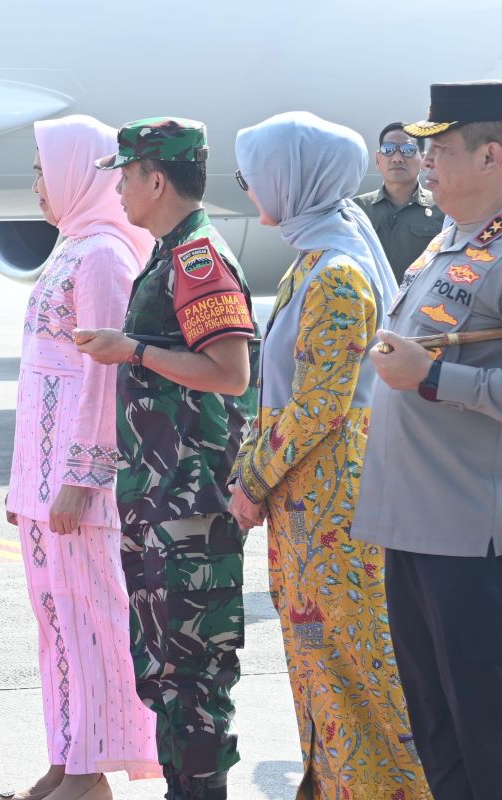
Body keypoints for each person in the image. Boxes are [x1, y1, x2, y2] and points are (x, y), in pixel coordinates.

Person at [229, 112, 430, 799]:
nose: (247, 187)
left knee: (358, 667)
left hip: (337, 508)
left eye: (253, 174)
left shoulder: (336, 271)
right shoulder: (312, 258)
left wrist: (251, 478)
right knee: (321, 663)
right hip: (306, 503)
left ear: (293, 179)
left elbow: (320, 402)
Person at [75, 118, 257, 800]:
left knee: (195, 677)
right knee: (166, 672)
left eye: (125, 175)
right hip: (162, 504)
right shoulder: (168, 254)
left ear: (157, 179)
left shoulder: (197, 259)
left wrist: (134, 351)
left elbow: (231, 371)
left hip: (192, 509)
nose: (118, 188)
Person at [0, 115, 159, 800]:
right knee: (55, 622)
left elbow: (106, 376)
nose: (35, 185)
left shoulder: (103, 257)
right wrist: (25, 483)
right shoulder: (70, 248)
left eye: (42, 170)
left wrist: (81, 478)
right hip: (44, 479)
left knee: (91, 625)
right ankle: (66, 759)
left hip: (79, 487)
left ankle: (91, 775)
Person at [353, 80, 502, 800]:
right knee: (435, 726)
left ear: (491, 155)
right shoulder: (446, 241)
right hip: (411, 526)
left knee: (485, 728)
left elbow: (441, 375)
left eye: (440, 149)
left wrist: (436, 378)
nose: (424, 160)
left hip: (472, 536)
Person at [353, 122, 446, 281]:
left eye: (408, 150)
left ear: (423, 159)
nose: (397, 158)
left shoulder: (443, 209)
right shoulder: (357, 210)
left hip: (420, 304)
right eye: (388, 150)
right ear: (378, 159)